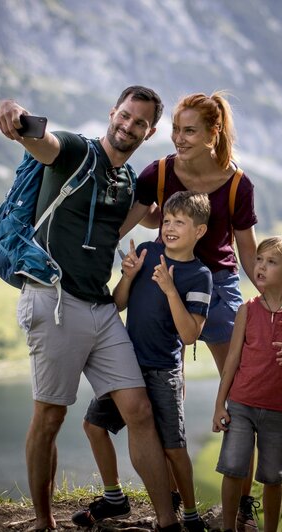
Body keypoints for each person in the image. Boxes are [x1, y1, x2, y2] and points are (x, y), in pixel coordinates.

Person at [0, 86, 182, 532]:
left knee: (137, 410)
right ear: (112, 113)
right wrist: (13, 114)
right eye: (124, 116)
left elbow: (153, 215)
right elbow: (42, 142)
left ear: (150, 131)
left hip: (101, 307)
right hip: (53, 299)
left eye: (139, 123)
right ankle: (44, 522)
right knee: (51, 415)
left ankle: (168, 521)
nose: (128, 126)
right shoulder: (76, 150)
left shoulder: (129, 181)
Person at [120, 90, 261, 529]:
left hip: (216, 287)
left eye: (189, 131)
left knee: (239, 395)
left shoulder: (238, 185)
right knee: (167, 397)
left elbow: (247, 252)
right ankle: (179, 497)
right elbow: (126, 223)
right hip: (162, 278)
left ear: (213, 134)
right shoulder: (158, 172)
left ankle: (241, 504)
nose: (178, 138)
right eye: (176, 129)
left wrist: (277, 300)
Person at [72, 191, 213, 531]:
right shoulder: (148, 252)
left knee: (173, 448)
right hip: (126, 364)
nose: (170, 227)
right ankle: (113, 496)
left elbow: (191, 334)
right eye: (166, 220)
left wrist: (169, 289)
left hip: (163, 370)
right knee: (93, 426)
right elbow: (117, 304)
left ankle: (190, 514)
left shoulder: (199, 275)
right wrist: (130, 275)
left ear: (200, 231)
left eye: (180, 222)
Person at [211, 236, 282, 532]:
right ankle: (229, 528)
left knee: (273, 477)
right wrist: (220, 404)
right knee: (232, 470)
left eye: (271, 262)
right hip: (241, 404)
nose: (260, 266)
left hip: (278, 410)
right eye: (259, 259)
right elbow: (231, 359)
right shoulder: (246, 310)